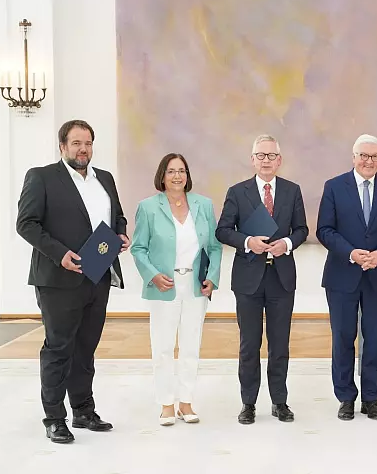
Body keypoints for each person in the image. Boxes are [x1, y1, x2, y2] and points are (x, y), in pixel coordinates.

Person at [16, 119, 129, 444]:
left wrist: (121, 233)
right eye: (77, 143)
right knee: (58, 348)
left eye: (88, 143)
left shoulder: (104, 178)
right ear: (62, 146)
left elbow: (117, 216)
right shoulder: (42, 177)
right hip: (58, 278)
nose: (83, 149)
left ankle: (83, 410)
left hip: (98, 273)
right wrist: (60, 253)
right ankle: (54, 418)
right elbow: (26, 223)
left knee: (86, 347)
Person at [216, 135, 308, 424]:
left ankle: (280, 402)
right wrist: (247, 242)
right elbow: (223, 230)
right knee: (249, 344)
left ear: (279, 160)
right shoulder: (237, 191)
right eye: (261, 155)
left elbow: (302, 229)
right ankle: (248, 403)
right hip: (248, 279)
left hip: (281, 278)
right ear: (252, 159)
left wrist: (287, 244)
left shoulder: (292, 191)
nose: (266, 160)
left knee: (280, 344)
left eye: (271, 155)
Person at [316, 134, 377, 421]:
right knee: (343, 338)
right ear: (354, 157)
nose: (369, 161)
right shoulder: (334, 187)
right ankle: (345, 397)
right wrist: (351, 253)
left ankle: (371, 398)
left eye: (375, 156)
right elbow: (324, 229)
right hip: (342, 275)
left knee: (376, 340)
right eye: (364, 156)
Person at [130, 153, 222, 426]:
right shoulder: (148, 207)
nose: (177, 176)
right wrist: (153, 275)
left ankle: (186, 402)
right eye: (171, 171)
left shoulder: (203, 205)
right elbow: (138, 248)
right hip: (164, 286)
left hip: (195, 286)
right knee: (163, 347)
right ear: (162, 175)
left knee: (191, 345)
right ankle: (166, 404)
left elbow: (214, 247)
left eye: (182, 170)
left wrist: (212, 277)